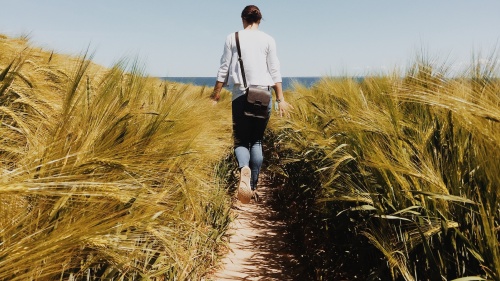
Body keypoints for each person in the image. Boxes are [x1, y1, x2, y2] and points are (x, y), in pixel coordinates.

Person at [210, 5, 293, 203]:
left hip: (241, 96)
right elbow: (275, 71)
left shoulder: (233, 37)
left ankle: (243, 169)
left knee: (240, 141)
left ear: (243, 19)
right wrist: (281, 99)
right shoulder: (269, 40)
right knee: (256, 141)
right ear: (259, 20)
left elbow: (224, 69)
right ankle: (253, 187)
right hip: (264, 96)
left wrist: (215, 96)